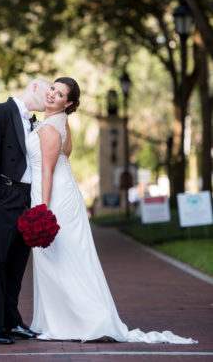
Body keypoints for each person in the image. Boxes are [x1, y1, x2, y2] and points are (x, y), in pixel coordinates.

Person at [26, 77, 197, 344]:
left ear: (68, 103)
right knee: (70, 257)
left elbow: (47, 170)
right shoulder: (61, 123)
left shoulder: (49, 128)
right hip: (65, 192)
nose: (52, 95)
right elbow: (66, 154)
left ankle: (72, 322)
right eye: (52, 89)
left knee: (58, 258)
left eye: (60, 95)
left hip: (53, 197)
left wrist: (42, 212)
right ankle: (64, 321)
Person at [0, 78, 50, 345]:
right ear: (33, 88)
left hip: (26, 199)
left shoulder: (34, 122)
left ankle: (12, 321)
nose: (50, 97)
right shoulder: (0, 111)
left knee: (17, 266)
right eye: (48, 91)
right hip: (4, 199)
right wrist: (0, 197)